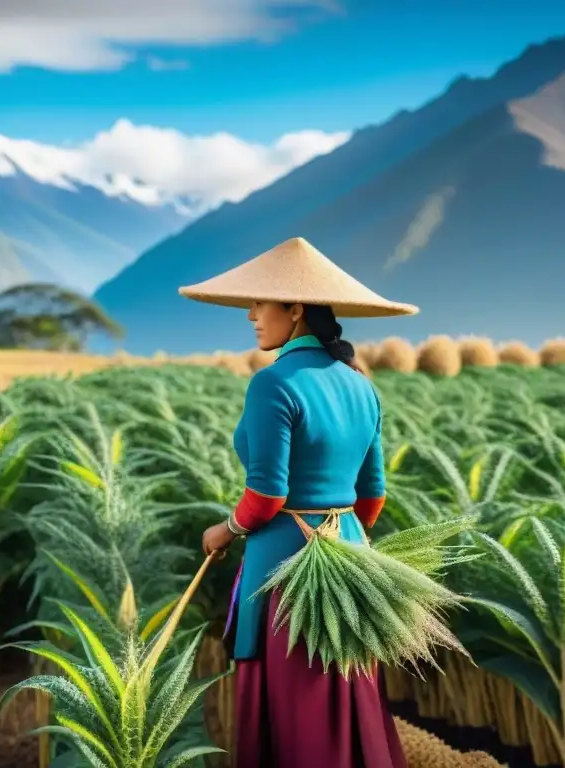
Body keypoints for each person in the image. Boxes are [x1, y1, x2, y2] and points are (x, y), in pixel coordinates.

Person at [179, 237, 420, 768]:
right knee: (346, 682)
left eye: (259, 304)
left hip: (286, 564)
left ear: (294, 309)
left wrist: (227, 530)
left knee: (295, 700)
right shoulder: (361, 386)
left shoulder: (272, 384)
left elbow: (266, 494)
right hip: (352, 554)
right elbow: (372, 494)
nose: (249, 316)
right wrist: (341, 538)